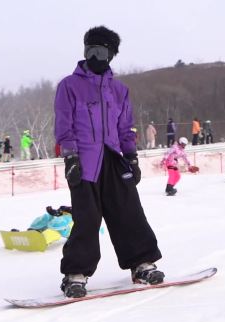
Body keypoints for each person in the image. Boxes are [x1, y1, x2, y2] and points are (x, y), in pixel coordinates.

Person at [54, 25, 164, 298]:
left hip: (114, 159)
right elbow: (64, 125)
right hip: (84, 162)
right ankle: (75, 275)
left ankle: (141, 264)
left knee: (129, 213)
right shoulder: (69, 86)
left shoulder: (119, 90)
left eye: (100, 50)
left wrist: (132, 157)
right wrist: (70, 158)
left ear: (111, 55)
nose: (94, 55)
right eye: (89, 48)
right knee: (87, 219)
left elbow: (125, 127)